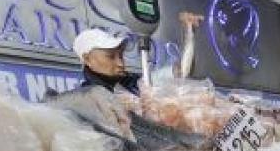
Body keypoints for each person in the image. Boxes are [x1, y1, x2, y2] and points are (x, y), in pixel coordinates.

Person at [72, 11, 204, 96]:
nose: (121, 63)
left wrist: (189, 30)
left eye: (121, 55)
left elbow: (181, 71)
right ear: (88, 59)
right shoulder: (86, 99)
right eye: (110, 57)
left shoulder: (133, 83)